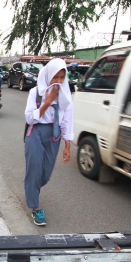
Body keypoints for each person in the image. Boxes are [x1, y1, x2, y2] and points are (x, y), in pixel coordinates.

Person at [24, 58, 73, 226]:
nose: (58, 82)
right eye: (55, 77)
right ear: (48, 75)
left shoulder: (65, 96)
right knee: (34, 168)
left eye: (62, 77)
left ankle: (32, 187)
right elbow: (30, 118)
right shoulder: (35, 92)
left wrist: (67, 145)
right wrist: (48, 102)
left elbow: (67, 121)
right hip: (36, 131)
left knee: (45, 173)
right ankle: (35, 208)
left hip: (55, 135)